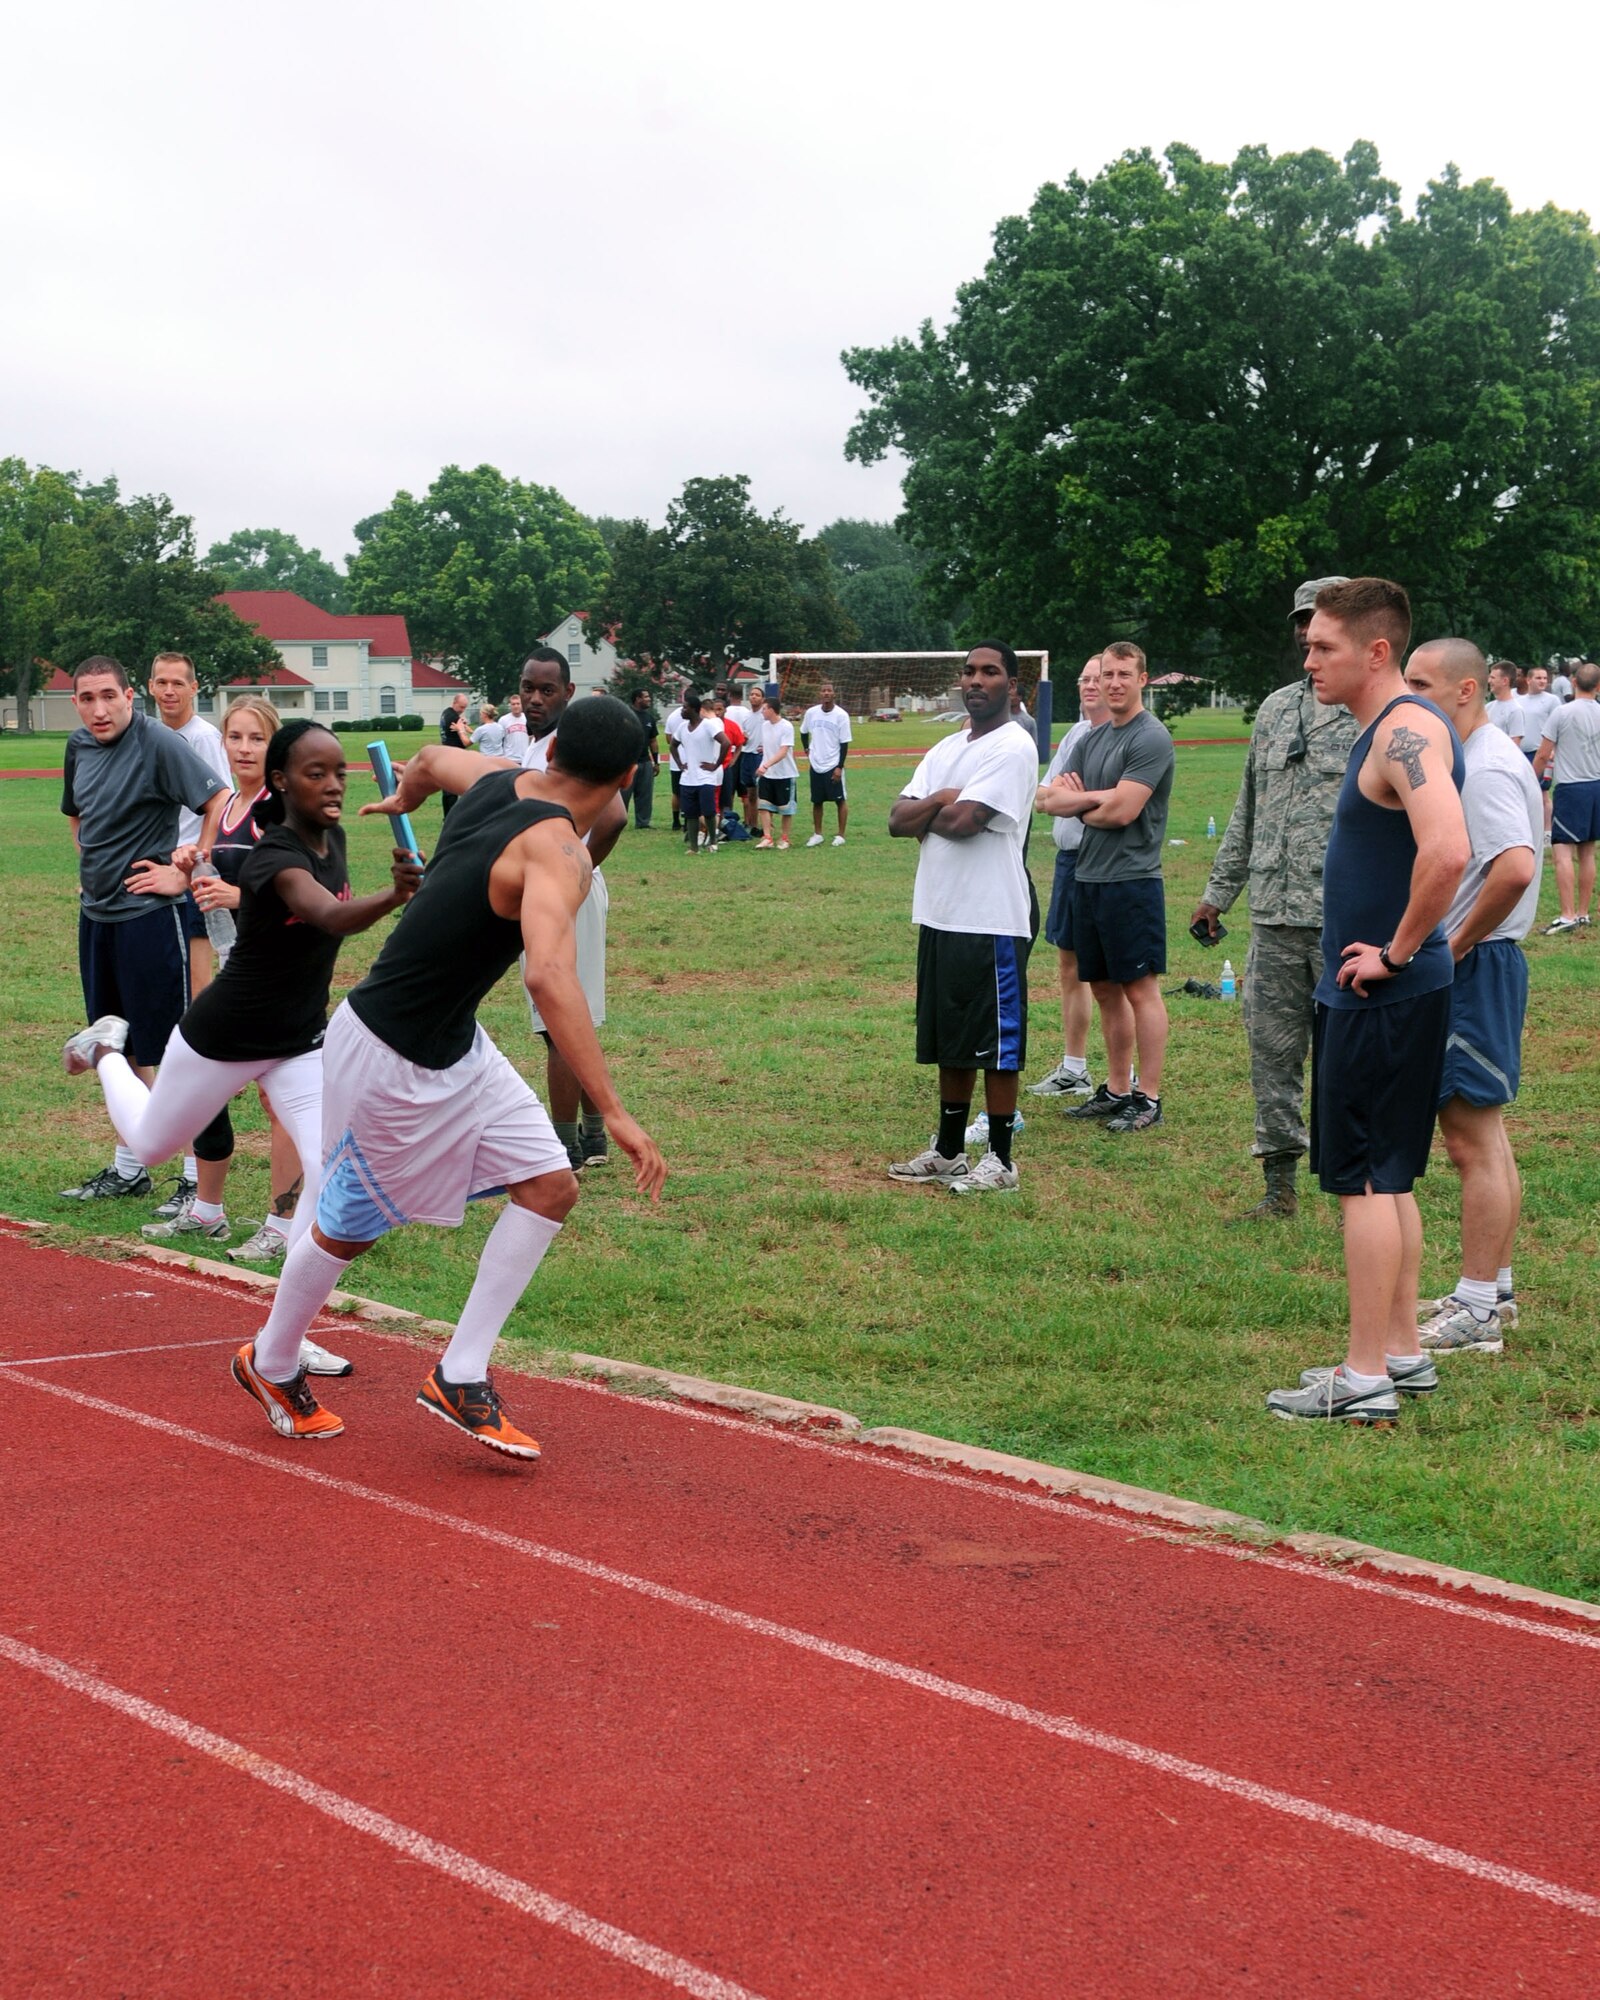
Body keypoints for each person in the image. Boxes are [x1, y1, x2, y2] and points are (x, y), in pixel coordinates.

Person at [229, 695, 665, 1450]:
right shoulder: (559, 854)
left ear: (552, 750)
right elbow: (549, 979)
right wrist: (614, 1111)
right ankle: (269, 1360)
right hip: (388, 1053)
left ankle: (460, 1374)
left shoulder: (501, 778)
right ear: (629, 773)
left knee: (550, 1183)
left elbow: (430, 761)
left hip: (452, 1042)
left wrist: (406, 796)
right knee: (348, 1228)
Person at [63, 719, 421, 1377]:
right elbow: (329, 915)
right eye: (317, 773)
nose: (335, 784)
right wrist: (394, 895)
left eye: (340, 771)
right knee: (150, 1146)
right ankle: (108, 1046)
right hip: (223, 1036)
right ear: (282, 782)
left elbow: (231, 855)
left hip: (298, 1040)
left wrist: (198, 861)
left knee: (329, 1180)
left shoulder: (328, 837)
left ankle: (285, 1337)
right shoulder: (282, 857)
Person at [1266, 578, 1469, 1424]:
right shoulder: (1389, 731)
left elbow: (1450, 851)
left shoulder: (1407, 730)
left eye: (1323, 647)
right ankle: (1399, 1354)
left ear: (1374, 651)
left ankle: (1360, 1378)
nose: (1308, 659)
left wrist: (1395, 950)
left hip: (1379, 993)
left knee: (1361, 1183)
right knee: (1389, 1177)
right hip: (1385, 994)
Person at [1192, 575, 1359, 1215]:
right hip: (1273, 916)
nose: (1304, 634)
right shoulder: (1275, 709)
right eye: (1300, 622)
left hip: (1343, 921)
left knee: (1347, 1061)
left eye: (1318, 622)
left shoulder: (1376, 714)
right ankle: (1280, 1189)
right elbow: (1248, 809)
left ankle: (1358, 1182)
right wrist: (1217, 893)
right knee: (1273, 1056)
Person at [1400, 639, 1540, 1356]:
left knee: (1469, 1140)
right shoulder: (1477, 757)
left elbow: (1513, 868)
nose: (1408, 695)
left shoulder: (1481, 767)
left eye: (1420, 683)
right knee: (1485, 1133)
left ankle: (1479, 1310)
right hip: (1485, 962)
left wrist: (1449, 950)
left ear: (1466, 690)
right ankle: (1495, 1291)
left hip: (1476, 964)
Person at [58, 656, 230, 1205]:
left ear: (131, 695)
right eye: (87, 699)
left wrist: (181, 875)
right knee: (115, 1045)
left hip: (148, 921)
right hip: (98, 919)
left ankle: (188, 1174)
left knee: (167, 1050)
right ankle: (130, 1166)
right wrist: (91, 871)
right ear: (76, 703)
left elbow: (218, 801)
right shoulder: (78, 747)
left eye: (109, 696)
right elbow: (76, 815)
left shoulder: (156, 741)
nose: (99, 709)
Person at [152, 694, 310, 1263]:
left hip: (277, 971)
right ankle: (208, 1210)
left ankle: (280, 1224)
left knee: (280, 1099)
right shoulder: (225, 807)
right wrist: (192, 864)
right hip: (233, 964)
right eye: (235, 737)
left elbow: (304, 892)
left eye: (256, 738)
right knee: (204, 1081)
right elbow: (214, 872)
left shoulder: (282, 808)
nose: (244, 748)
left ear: (276, 747)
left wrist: (240, 895)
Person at [886, 642, 1040, 1194]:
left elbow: (968, 820)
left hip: (991, 915)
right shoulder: (947, 748)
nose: (977, 680)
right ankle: (949, 1151)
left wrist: (937, 807)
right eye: (970, 671)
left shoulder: (1014, 746)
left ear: (1012, 685)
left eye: (990, 672)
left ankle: (1000, 1160)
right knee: (951, 1036)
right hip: (942, 910)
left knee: (996, 1042)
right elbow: (898, 819)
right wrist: (938, 801)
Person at [1051, 642, 1175, 1135]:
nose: (1114, 682)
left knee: (1140, 990)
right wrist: (1084, 800)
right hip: (1088, 878)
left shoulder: (1151, 738)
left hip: (1131, 882)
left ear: (1143, 679)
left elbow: (1124, 811)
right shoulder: (1091, 738)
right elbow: (1046, 799)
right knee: (1102, 988)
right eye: (1107, 674)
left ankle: (1148, 1097)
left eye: (1125, 673)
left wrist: (1079, 800)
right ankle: (1117, 1088)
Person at [516, 651, 625, 1170]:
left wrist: (573, 877)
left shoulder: (570, 750)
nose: (535, 698)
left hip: (564, 894)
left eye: (547, 690)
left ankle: (563, 1149)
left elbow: (615, 816)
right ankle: (594, 1137)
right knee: (565, 1021)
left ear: (568, 692)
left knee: (558, 1023)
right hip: (555, 890)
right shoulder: (537, 745)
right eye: (528, 688)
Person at [1028, 657, 1110, 1100]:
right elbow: (1042, 796)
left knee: (1112, 975)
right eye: (1085, 679)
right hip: (1068, 863)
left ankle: (1126, 1075)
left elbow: (1114, 806)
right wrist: (1068, 797)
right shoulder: (1077, 734)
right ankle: (1074, 1067)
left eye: (1101, 677)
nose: (1091, 685)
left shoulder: (1124, 736)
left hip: (1105, 864)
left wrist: (1074, 798)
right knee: (1069, 966)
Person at [1535, 659, 1600, 931]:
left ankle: (1568, 915)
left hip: (1572, 789)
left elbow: (1542, 753)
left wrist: (1529, 780)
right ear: (1598, 687)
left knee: (1562, 853)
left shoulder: (1562, 713)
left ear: (1573, 683)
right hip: (1597, 786)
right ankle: (1583, 912)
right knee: (1587, 852)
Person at [671, 690, 728, 854]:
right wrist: (681, 764)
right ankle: (694, 847)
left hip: (705, 778)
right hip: (688, 779)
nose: (682, 710)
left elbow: (725, 742)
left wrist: (716, 765)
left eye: (685, 707)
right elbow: (673, 745)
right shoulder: (682, 727)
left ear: (695, 709)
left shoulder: (708, 725)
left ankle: (713, 841)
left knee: (709, 813)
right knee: (690, 815)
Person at [801, 685, 853, 846]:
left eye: (829, 690)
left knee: (840, 800)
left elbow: (844, 743)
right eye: (823, 690)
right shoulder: (811, 713)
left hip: (833, 763)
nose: (826, 693)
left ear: (834, 694)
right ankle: (817, 834)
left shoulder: (841, 715)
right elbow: (803, 732)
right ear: (820, 694)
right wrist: (807, 750)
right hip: (816, 763)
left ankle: (841, 835)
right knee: (817, 801)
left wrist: (839, 767)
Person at [1517, 666, 1561, 843]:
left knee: (1542, 793)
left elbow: (1557, 728)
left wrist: (1553, 751)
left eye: (1544, 678)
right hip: (1521, 752)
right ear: (1528, 680)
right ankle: (1526, 831)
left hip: (1541, 753)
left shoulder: (1552, 701)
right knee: (1522, 792)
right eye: (1538, 678)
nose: (1543, 681)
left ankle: (1546, 834)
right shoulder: (1518, 700)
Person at [754, 694, 798, 848]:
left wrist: (766, 765)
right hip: (767, 775)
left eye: (764, 709)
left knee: (785, 809)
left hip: (785, 774)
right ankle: (767, 837)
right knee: (763, 806)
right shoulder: (765, 726)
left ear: (772, 710)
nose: (762, 712)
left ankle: (784, 838)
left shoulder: (786, 726)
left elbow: (783, 751)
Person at [618, 688, 659, 829]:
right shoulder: (625, 715)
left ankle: (643, 822)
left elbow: (653, 740)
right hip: (628, 763)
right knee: (624, 794)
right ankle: (619, 821)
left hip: (645, 762)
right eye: (646, 697)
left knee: (645, 795)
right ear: (637, 699)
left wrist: (656, 761)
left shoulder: (649, 718)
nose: (649, 699)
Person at [438, 692, 472, 815]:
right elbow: (465, 740)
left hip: (446, 753)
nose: (463, 710)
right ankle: (452, 816)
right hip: (454, 755)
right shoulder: (454, 718)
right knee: (453, 789)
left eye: (465, 707)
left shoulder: (445, 713)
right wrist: (464, 728)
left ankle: (447, 817)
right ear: (454, 703)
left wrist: (462, 723)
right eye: (461, 707)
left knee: (447, 788)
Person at [1484, 663, 1524, 747]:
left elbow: (1515, 745)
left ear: (1505, 681)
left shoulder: (1515, 711)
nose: (1489, 681)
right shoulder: (1488, 707)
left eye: (1493, 678)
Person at [663, 693, 686, 830]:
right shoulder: (699, 716)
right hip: (688, 761)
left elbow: (668, 739)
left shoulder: (672, 715)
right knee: (688, 792)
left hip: (676, 761)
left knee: (676, 792)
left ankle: (675, 821)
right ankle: (687, 819)